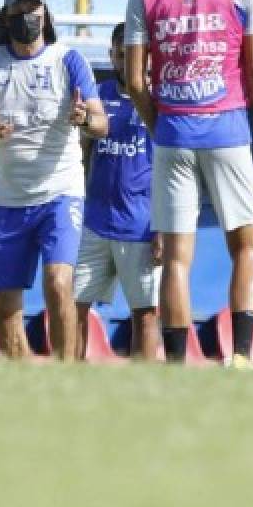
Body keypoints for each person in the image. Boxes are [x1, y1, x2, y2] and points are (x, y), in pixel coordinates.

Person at [124, 0, 253, 368]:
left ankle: (176, 363)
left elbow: (136, 81)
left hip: (174, 133)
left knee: (176, 257)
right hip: (230, 132)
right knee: (246, 247)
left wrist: (161, 125)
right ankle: (238, 356)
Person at [0, 0, 108, 361]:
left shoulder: (69, 59)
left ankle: (65, 369)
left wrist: (84, 118)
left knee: (59, 282)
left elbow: (101, 122)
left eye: (34, 10)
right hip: (9, 199)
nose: (28, 18)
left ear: (45, 15)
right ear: (6, 17)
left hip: (61, 191)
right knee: (4, 300)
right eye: (19, 11)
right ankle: (23, 375)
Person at [74, 23, 162, 360]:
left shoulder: (162, 100)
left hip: (141, 228)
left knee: (146, 314)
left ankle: (143, 393)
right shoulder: (99, 94)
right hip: (93, 223)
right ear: (112, 56)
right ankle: (69, 381)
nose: (126, 62)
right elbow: (81, 155)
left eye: (133, 55)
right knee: (73, 306)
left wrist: (164, 229)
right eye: (120, 55)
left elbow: (179, 171)